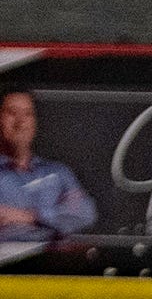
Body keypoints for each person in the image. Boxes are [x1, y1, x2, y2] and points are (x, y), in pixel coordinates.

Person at [0, 91, 97, 244]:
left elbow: (85, 213)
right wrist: (58, 220)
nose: (20, 122)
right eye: (12, 113)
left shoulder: (58, 172)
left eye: (28, 114)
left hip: (56, 264)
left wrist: (29, 217)